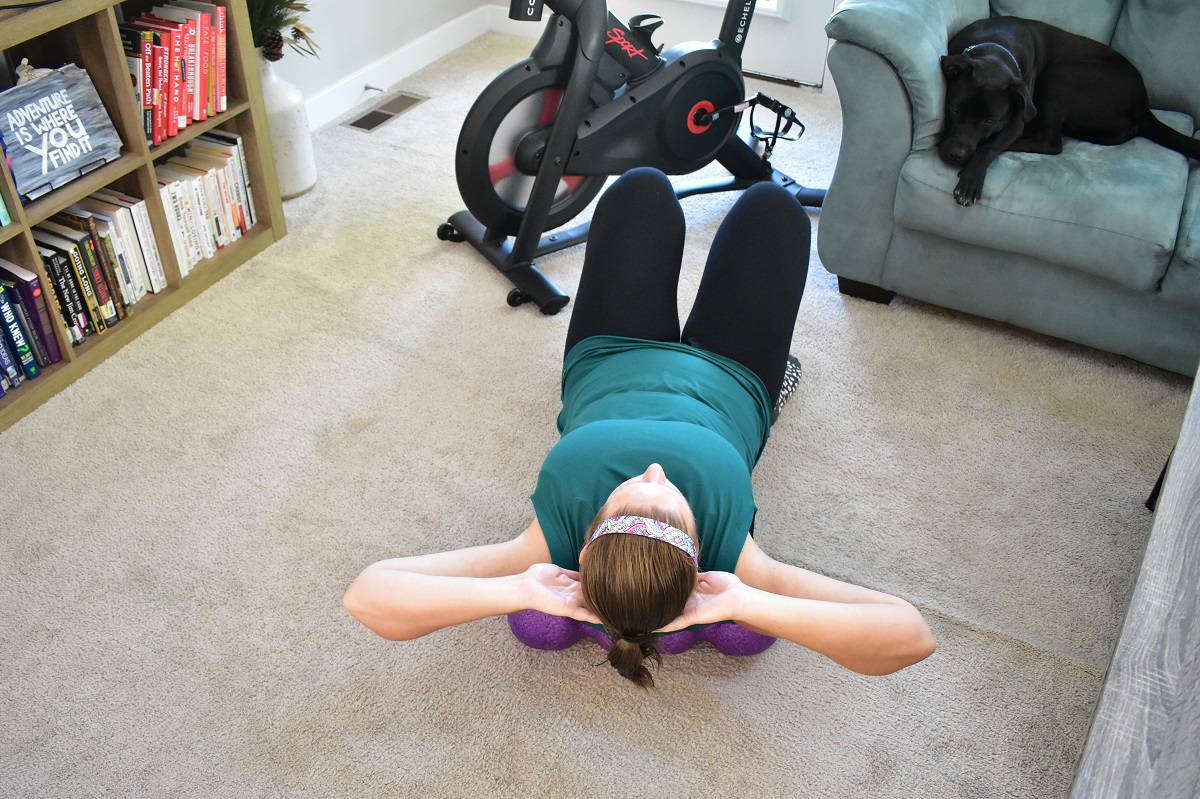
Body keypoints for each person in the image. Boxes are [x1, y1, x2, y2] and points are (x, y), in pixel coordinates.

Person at [343, 168, 936, 688]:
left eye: (630, 488)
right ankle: (779, 383)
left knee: (640, 189)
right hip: (735, 375)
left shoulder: (550, 539)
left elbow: (369, 594)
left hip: (611, 354)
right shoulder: (734, 553)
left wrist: (518, 589)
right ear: (699, 548)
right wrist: (746, 599)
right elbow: (909, 635)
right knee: (774, 206)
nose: (653, 469)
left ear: (591, 530)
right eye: (668, 491)